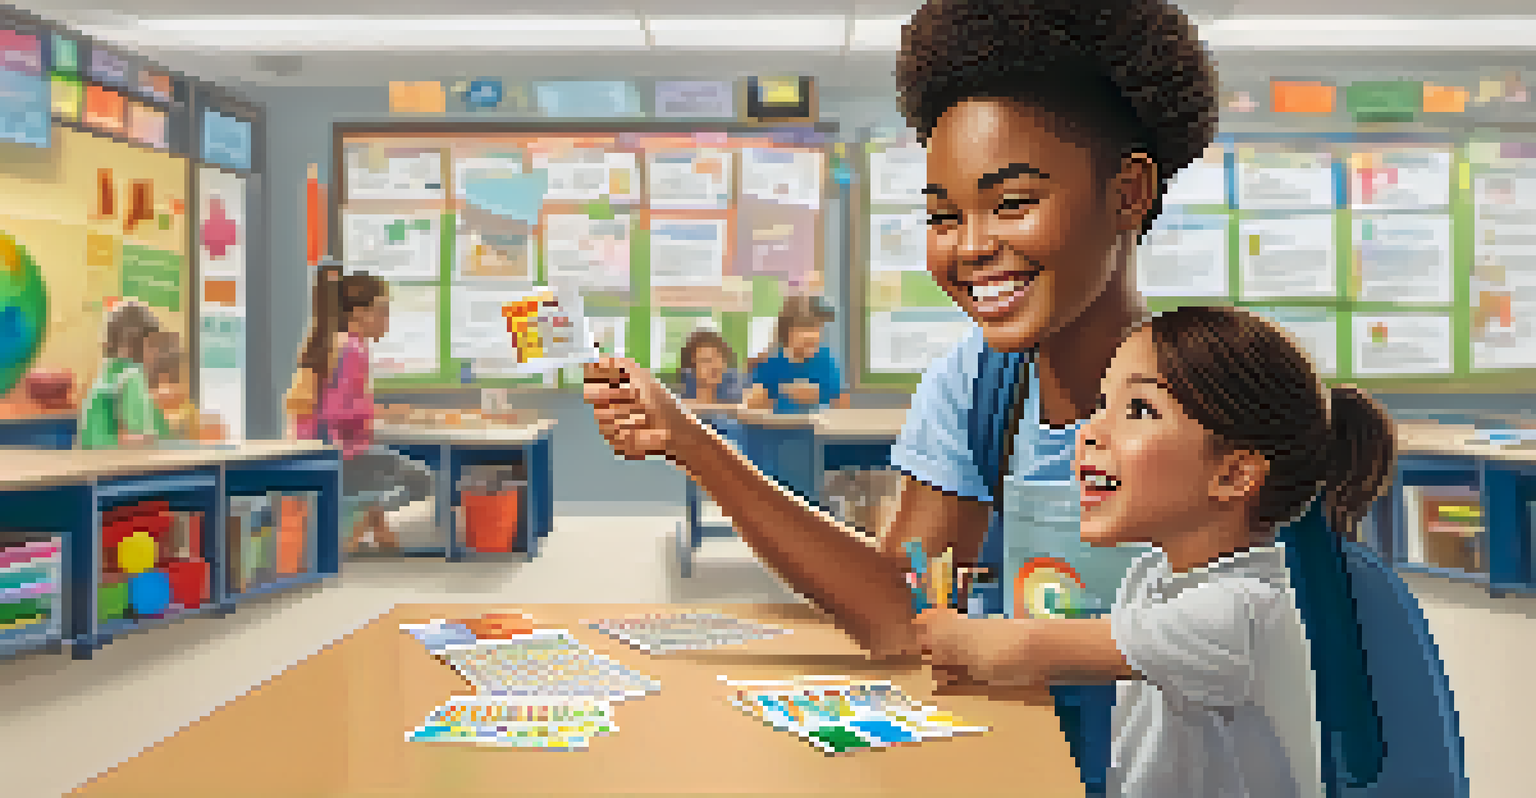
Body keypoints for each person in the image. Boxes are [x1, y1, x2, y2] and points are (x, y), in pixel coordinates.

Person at [585, 0, 1216, 666]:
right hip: (1037, 761)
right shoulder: (978, 387)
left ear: (1126, 194)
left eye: (1012, 204)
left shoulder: (1220, 392)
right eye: (944, 215)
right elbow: (902, 620)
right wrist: (689, 441)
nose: (970, 246)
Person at [916, 306, 1396, 797]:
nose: (1090, 431)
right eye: (1101, 405)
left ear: (1233, 475)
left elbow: (1024, 648)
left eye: (1139, 410)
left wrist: (945, 631)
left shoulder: (1240, 611)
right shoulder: (1152, 575)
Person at [288, 260, 433, 553]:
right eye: (382, 310)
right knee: (421, 480)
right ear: (358, 313)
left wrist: (373, 410)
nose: (387, 318)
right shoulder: (351, 349)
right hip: (339, 455)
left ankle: (374, 527)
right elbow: (334, 413)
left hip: (322, 450)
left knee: (379, 474)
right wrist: (380, 411)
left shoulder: (335, 343)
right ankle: (356, 525)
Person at [79, 300, 173, 449]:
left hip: (94, 467)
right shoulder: (132, 376)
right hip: (120, 467)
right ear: (141, 343)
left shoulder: (106, 375)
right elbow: (132, 440)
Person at [743, 295, 851, 413]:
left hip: (815, 429)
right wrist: (781, 389)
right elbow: (752, 407)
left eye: (817, 328)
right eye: (806, 328)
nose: (813, 336)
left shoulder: (826, 359)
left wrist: (821, 396)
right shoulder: (771, 361)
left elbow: (841, 403)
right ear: (788, 331)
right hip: (776, 428)